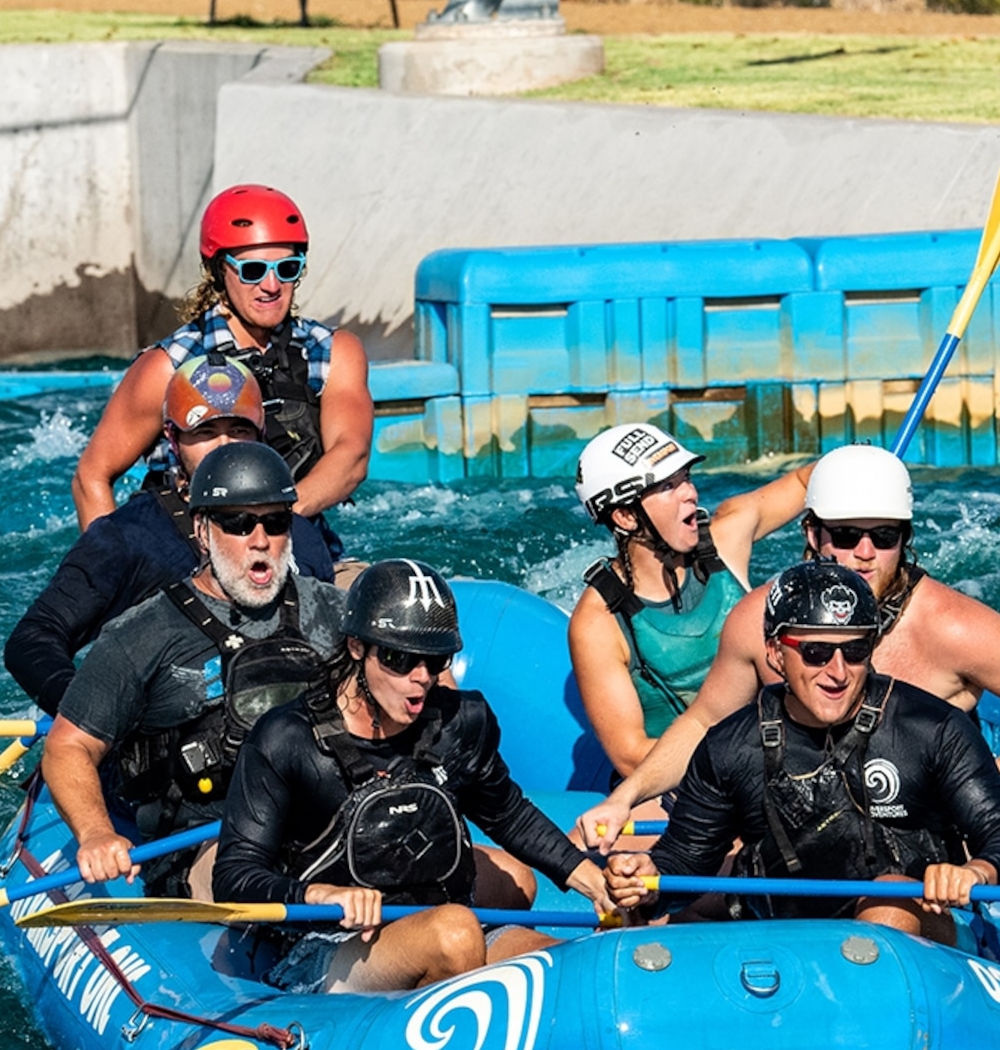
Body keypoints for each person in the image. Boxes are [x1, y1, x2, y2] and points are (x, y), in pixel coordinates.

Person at [574, 442, 1000, 850]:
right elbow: (704, 723)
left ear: (905, 538)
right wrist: (625, 798)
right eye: (846, 534)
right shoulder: (758, 617)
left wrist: (976, 795)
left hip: (912, 858)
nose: (865, 554)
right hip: (794, 840)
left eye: (885, 536)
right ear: (812, 533)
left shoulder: (950, 627)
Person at [215, 560, 617, 993]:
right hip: (325, 945)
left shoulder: (461, 721)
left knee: (571, 975)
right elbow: (235, 876)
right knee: (454, 933)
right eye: (399, 658)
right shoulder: (286, 739)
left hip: (443, 919)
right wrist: (318, 895)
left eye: (435, 659)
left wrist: (593, 880)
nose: (421, 678)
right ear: (356, 647)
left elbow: (509, 815)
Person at [604, 561, 1000, 945]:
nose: (837, 672)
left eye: (855, 651)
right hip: (786, 931)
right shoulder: (729, 745)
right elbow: (684, 863)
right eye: (814, 652)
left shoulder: (936, 727)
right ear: (775, 653)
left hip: (920, 931)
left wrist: (974, 872)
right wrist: (645, 876)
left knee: (887, 903)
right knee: (629, 918)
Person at [40, 441, 343, 900]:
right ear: (202, 530)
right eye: (238, 523)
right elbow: (67, 747)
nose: (260, 540)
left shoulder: (334, 612)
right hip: (205, 845)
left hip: (326, 822)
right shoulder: (142, 634)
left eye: (276, 522)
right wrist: (96, 833)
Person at [5, 356, 334, 715]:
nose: (223, 445)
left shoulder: (298, 536)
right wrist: (91, 714)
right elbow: (32, 640)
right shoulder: (127, 538)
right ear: (173, 439)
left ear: (260, 434)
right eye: (204, 433)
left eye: (238, 430)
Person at [70, 184, 372, 570]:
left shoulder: (332, 354)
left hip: (302, 556)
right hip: (191, 571)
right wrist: (113, 576)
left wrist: (269, 523)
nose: (271, 285)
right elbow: (91, 477)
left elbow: (352, 455)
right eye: (252, 270)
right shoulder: (166, 367)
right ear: (218, 271)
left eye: (287, 268)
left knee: (387, 614)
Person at [564, 422, 816, 778]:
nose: (691, 494)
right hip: (681, 786)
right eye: (669, 486)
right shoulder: (598, 623)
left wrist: (858, 463)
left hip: (777, 762)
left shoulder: (725, 540)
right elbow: (632, 757)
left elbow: (807, 482)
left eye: (686, 478)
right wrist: (752, 753)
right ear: (625, 516)